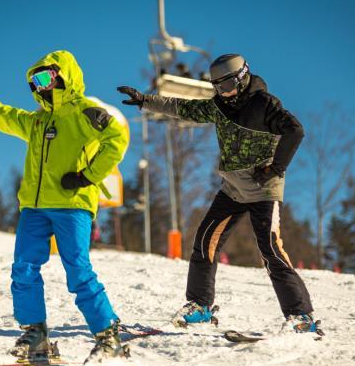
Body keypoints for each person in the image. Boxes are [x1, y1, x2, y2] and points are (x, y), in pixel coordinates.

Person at [118, 54, 321, 334]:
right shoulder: (219, 106)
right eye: (217, 88)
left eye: (226, 87)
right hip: (233, 189)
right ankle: (200, 307)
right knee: (204, 242)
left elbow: (295, 131)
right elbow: (184, 108)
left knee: (271, 250)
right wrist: (145, 100)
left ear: (242, 77)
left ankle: (301, 316)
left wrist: (276, 167)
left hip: (263, 189)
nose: (222, 94)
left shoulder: (264, 104)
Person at [0, 50, 131, 364]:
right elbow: (1, 115)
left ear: (63, 75)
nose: (40, 86)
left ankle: (108, 336)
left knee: (78, 270)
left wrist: (86, 176)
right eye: (34, 81)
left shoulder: (83, 111)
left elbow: (116, 138)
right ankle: (36, 334)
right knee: (23, 268)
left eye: (46, 77)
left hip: (72, 205)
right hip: (34, 208)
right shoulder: (36, 121)